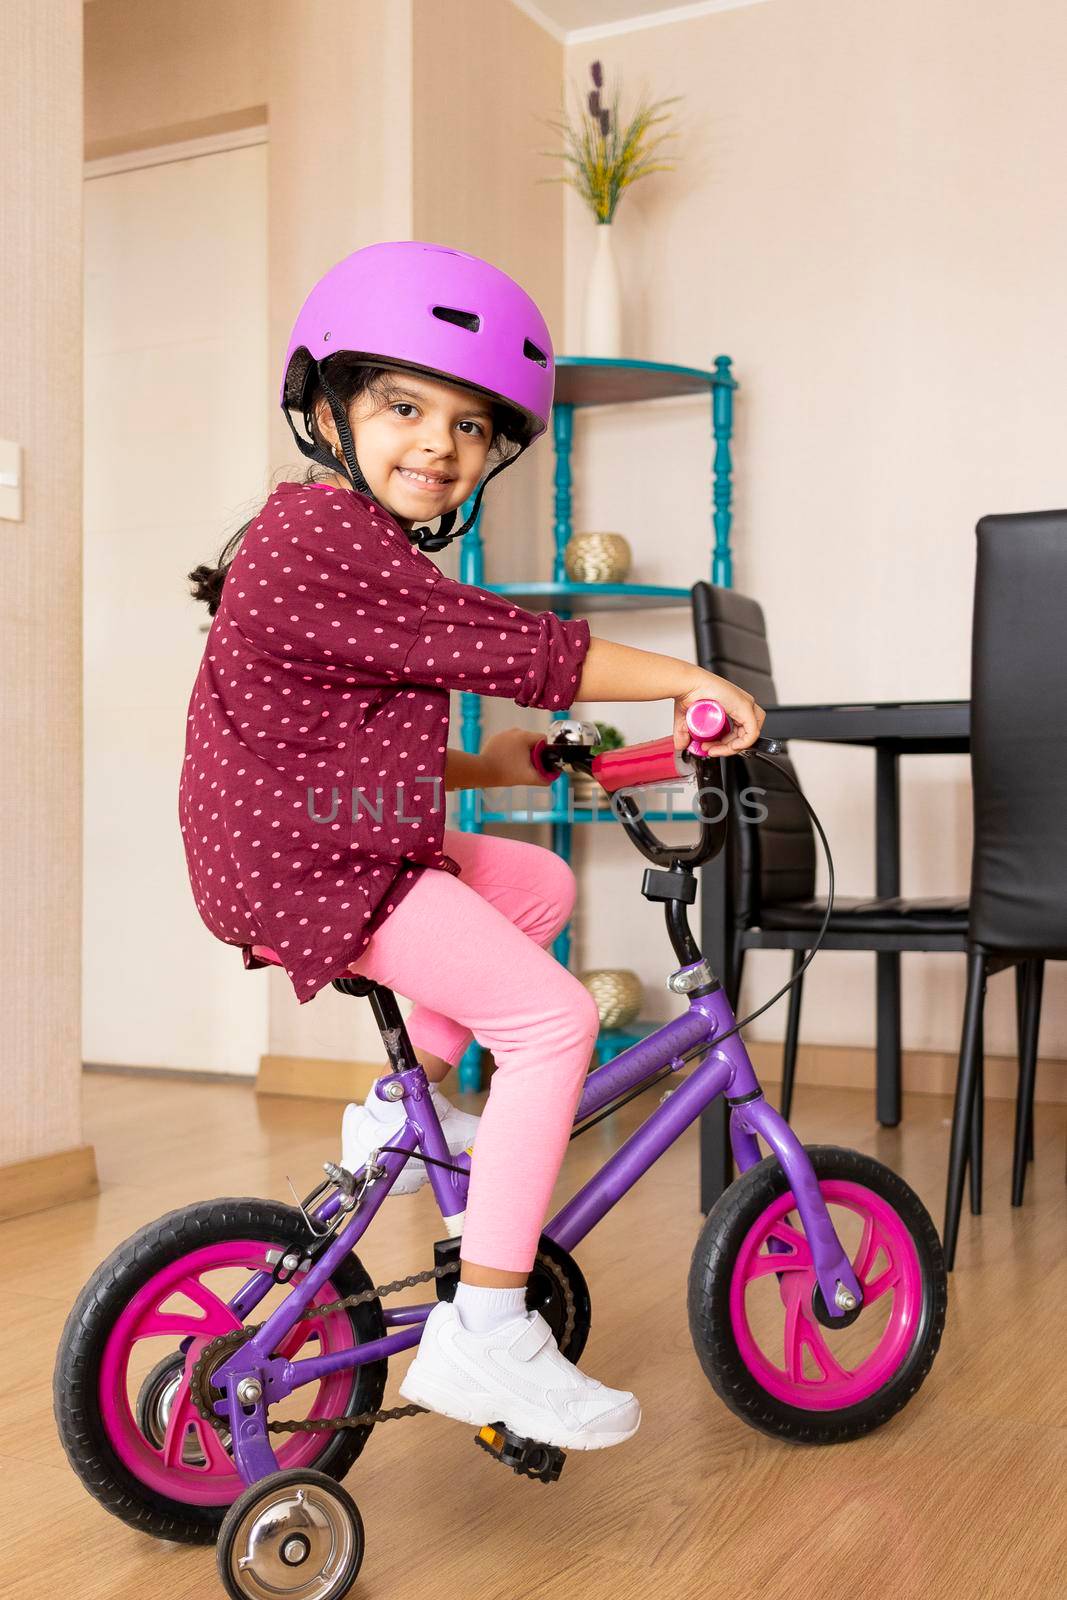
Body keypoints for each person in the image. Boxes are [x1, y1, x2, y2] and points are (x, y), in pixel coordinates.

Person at [181, 241, 765, 1453]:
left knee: (533, 879)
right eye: (402, 406)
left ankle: (401, 1116)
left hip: (317, 836)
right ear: (327, 406)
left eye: (468, 426)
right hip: (323, 861)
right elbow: (523, 648)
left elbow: (322, 727)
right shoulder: (321, 536)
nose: (437, 446)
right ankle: (486, 1329)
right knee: (552, 1022)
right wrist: (687, 676)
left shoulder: (340, 547)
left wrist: (488, 769)